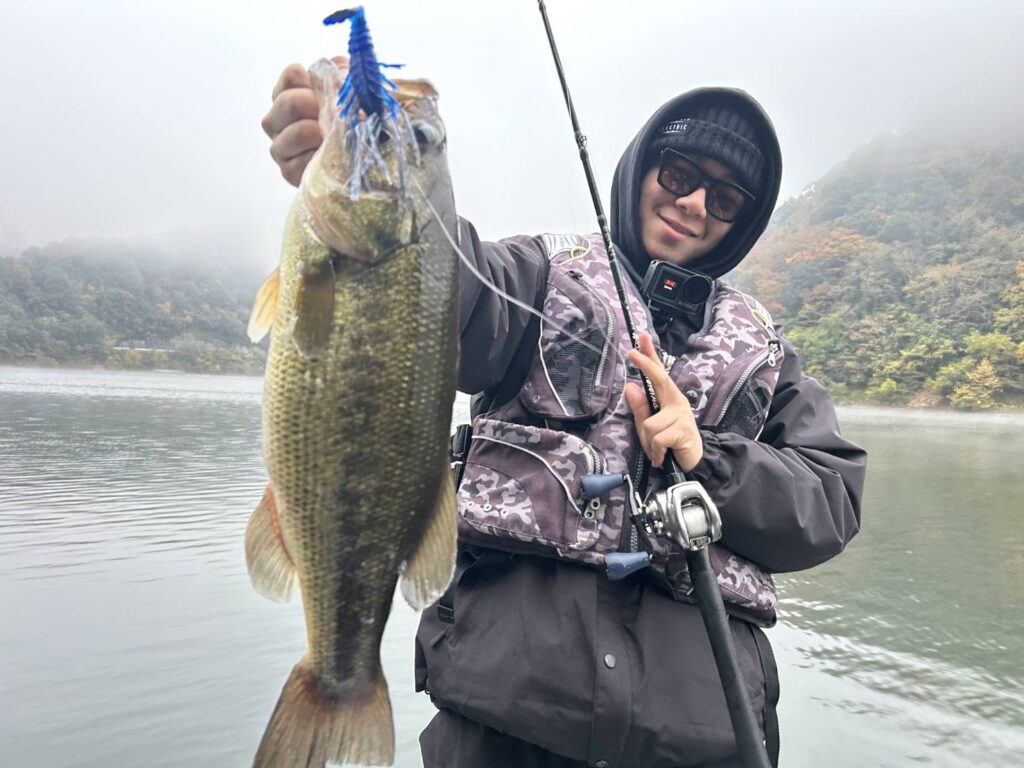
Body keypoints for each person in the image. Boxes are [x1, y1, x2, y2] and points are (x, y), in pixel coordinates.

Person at [262, 58, 867, 768]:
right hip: (509, 725)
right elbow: (440, 282)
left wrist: (709, 456)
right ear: (642, 169)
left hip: (702, 741)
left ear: (743, 222)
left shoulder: (765, 353)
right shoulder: (536, 278)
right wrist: (365, 171)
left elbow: (831, 499)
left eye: (726, 199)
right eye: (679, 175)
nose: (695, 204)